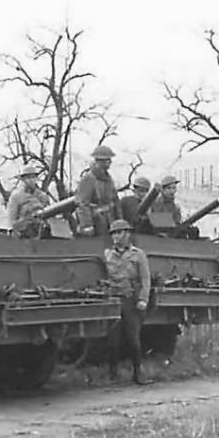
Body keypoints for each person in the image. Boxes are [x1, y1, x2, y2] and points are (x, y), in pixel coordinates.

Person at [103, 219, 152, 385]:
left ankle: (139, 372)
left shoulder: (138, 255)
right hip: (113, 300)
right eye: (113, 233)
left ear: (127, 234)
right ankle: (112, 374)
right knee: (112, 340)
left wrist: (143, 299)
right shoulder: (107, 254)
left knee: (133, 339)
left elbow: (146, 279)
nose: (116, 236)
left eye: (119, 232)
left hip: (131, 300)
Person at [74, 144, 121, 236]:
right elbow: (82, 203)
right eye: (108, 160)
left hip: (109, 220)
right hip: (96, 221)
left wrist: (119, 221)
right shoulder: (88, 178)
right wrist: (87, 225)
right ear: (100, 161)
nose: (110, 162)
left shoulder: (108, 179)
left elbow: (115, 200)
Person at [7, 163, 52, 238]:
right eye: (28, 177)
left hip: (42, 233)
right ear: (23, 179)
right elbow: (12, 220)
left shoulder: (43, 196)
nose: (31, 180)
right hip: (24, 234)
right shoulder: (16, 196)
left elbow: (50, 217)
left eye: (33, 177)